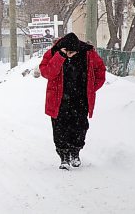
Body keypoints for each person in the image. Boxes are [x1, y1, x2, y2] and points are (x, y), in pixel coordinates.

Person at [39, 32, 106, 169]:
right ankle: (64, 156)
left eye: (72, 52)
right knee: (60, 129)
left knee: (80, 128)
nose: (70, 55)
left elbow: (100, 72)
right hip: (59, 100)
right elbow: (47, 72)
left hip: (80, 99)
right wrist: (60, 57)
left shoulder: (88, 53)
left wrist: (91, 89)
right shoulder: (53, 53)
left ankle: (75, 152)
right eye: (67, 52)